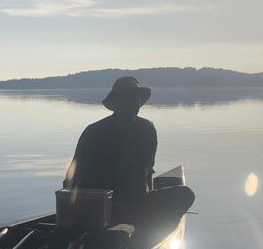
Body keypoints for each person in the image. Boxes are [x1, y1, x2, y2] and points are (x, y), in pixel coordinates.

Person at [64, 76, 194, 228]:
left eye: (136, 97)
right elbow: (71, 179)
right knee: (119, 213)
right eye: (127, 98)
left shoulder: (147, 129)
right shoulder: (94, 132)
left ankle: (149, 226)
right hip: (104, 205)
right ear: (117, 102)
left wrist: (150, 198)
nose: (133, 102)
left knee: (186, 195)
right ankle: (138, 226)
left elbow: (148, 171)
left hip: (138, 202)